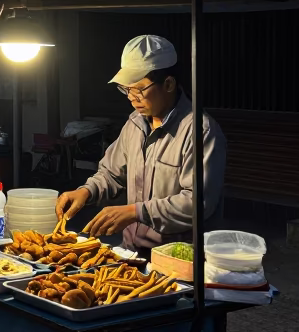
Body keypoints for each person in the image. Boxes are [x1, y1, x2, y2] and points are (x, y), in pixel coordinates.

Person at [55, 35, 226, 250]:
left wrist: (136, 212)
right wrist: (87, 191)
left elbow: (197, 203)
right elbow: (111, 173)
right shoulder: (135, 123)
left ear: (169, 83)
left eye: (139, 89)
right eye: (126, 89)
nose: (131, 97)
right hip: (131, 250)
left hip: (179, 257)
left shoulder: (199, 132)